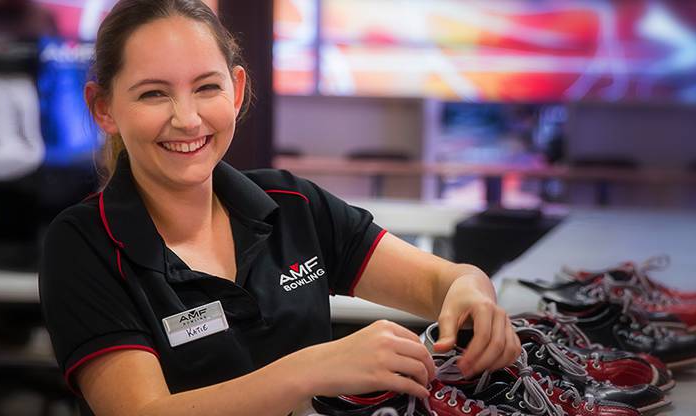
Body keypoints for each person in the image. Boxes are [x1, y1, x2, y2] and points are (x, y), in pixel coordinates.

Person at [38, 1, 520, 415]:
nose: (187, 119)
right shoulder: (83, 244)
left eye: (207, 87)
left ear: (238, 89)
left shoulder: (291, 205)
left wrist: (473, 292)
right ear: (103, 109)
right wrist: (312, 369)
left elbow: (444, 281)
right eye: (153, 93)